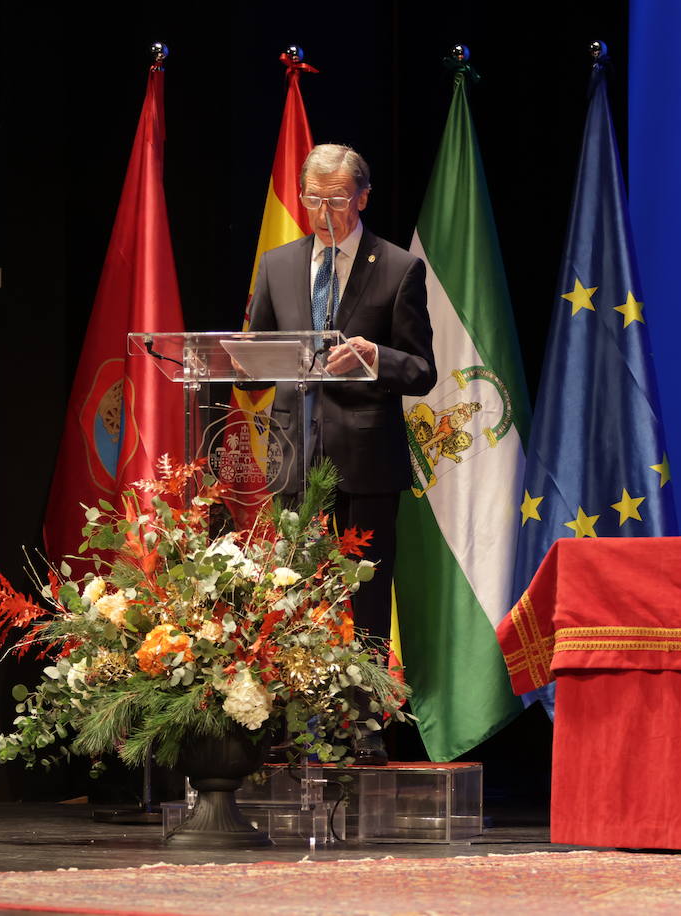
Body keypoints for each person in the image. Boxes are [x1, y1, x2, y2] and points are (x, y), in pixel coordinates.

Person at [246, 145, 435, 762]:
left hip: (367, 460)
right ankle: (292, 722)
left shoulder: (398, 268)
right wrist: (242, 358)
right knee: (293, 591)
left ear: (362, 197)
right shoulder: (277, 265)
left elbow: (423, 370)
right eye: (312, 198)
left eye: (335, 199)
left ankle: (365, 727)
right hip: (294, 456)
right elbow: (253, 365)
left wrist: (376, 357)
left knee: (367, 597)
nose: (322, 211)